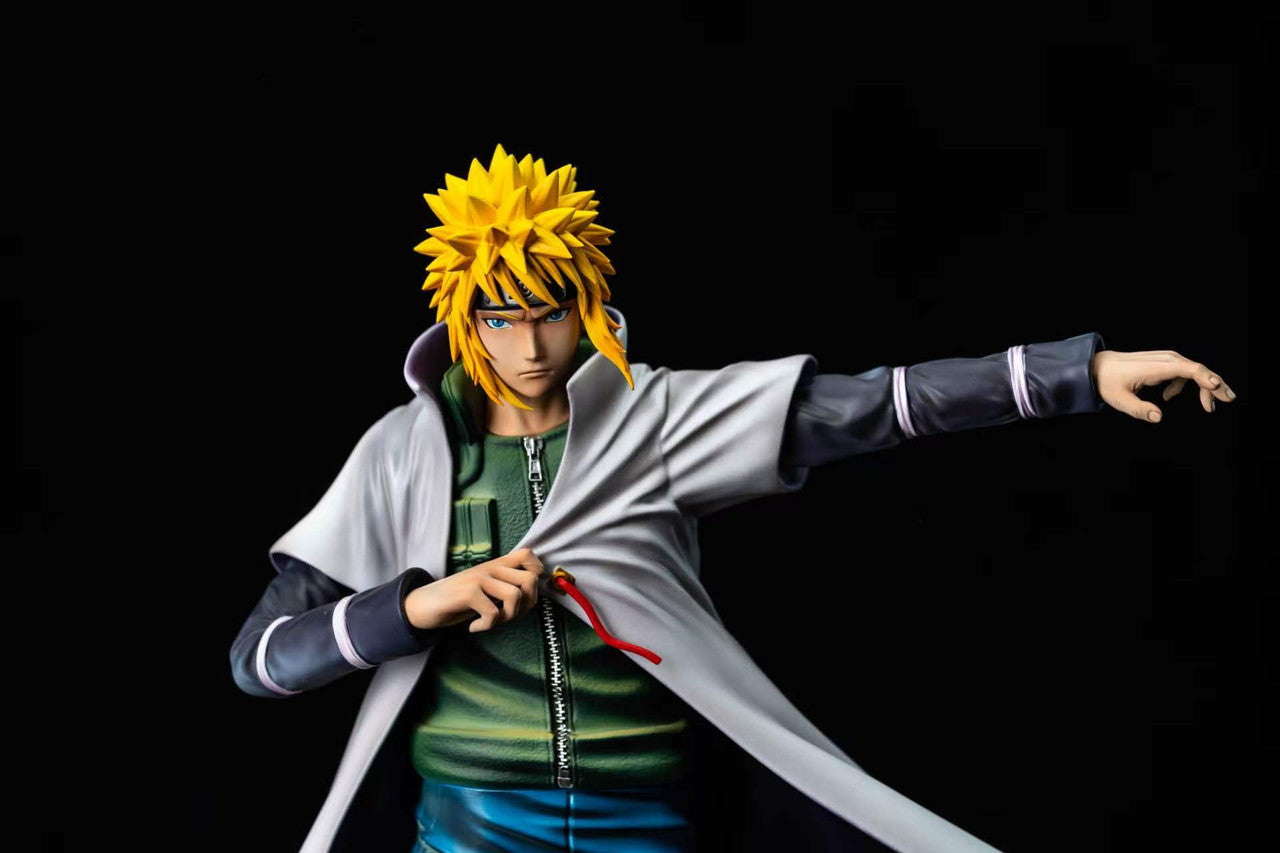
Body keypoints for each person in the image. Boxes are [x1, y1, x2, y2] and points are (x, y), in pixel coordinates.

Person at [229, 144, 1237, 853]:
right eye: (500, 318)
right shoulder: (403, 455)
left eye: (551, 314)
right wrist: (415, 607)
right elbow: (262, 659)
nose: (528, 346)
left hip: (644, 813)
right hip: (472, 819)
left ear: (586, 304)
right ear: (462, 316)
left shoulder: (657, 418)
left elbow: (875, 406)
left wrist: (1074, 372)